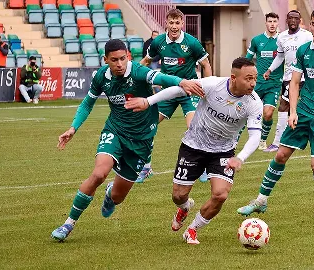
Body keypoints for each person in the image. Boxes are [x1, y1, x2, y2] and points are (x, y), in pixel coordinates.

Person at [50, 39, 203, 242]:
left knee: (117, 198)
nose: (120, 64)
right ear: (106, 60)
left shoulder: (138, 71)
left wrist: (181, 81)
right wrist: (72, 128)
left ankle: (110, 193)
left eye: (123, 58)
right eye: (114, 60)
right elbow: (87, 103)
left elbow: (160, 77)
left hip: (141, 140)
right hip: (115, 131)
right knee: (98, 174)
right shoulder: (100, 77)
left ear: (128, 56)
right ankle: (68, 223)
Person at [125, 57, 263, 245]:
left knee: (220, 194)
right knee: (178, 195)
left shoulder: (254, 103)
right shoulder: (213, 85)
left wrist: (240, 157)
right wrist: (148, 101)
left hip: (223, 152)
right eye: (248, 78)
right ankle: (184, 207)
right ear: (233, 77)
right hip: (193, 146)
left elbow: (255, 136)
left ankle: (192, 229)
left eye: (255, 78)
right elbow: (179, 89)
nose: (253, 83)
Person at [237, 7, 314, 220]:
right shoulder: (303, 51)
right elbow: (294, 82)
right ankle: (261, 200)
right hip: (303, 111)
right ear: (309, 25)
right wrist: (292, 111)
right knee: (281, 155)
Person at [138, 8, 212, 183]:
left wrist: (208, 89)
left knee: (194, 128)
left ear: (182, 24)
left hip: (189, 91)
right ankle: (145, 168)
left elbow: (206, 65)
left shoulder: (192, 43)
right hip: (168, 92)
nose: (174, 26)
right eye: (171, 22)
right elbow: (146, 62)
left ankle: (202, 167)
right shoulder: (157, 42)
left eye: (177, 22)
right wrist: (132, 74)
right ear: (166, 23)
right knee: (146, 127)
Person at [262, 10, 313, 152]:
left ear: (300, 20)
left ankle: (309, 138)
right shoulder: (282, 37)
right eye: (290, 18)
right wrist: (269, 70)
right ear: (287, 20)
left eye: (296, 18)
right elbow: (279, 57)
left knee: (308, 107)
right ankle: (278, 142)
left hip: (305, 77)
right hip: (288, 78)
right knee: (284, 106)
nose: (293, 21)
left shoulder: (307, 36)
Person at [245, 12, 284, 150]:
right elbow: (247, 59)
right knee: (246, 111)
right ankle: (235, 140)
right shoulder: (257, 40)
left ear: (278, 23)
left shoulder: (282, 40)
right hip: (257, 83)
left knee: (267, 113)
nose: (272, 24)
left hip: (274, 84)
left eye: (275, 21)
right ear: (265, 23)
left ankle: (262, 140)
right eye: (270, 21)